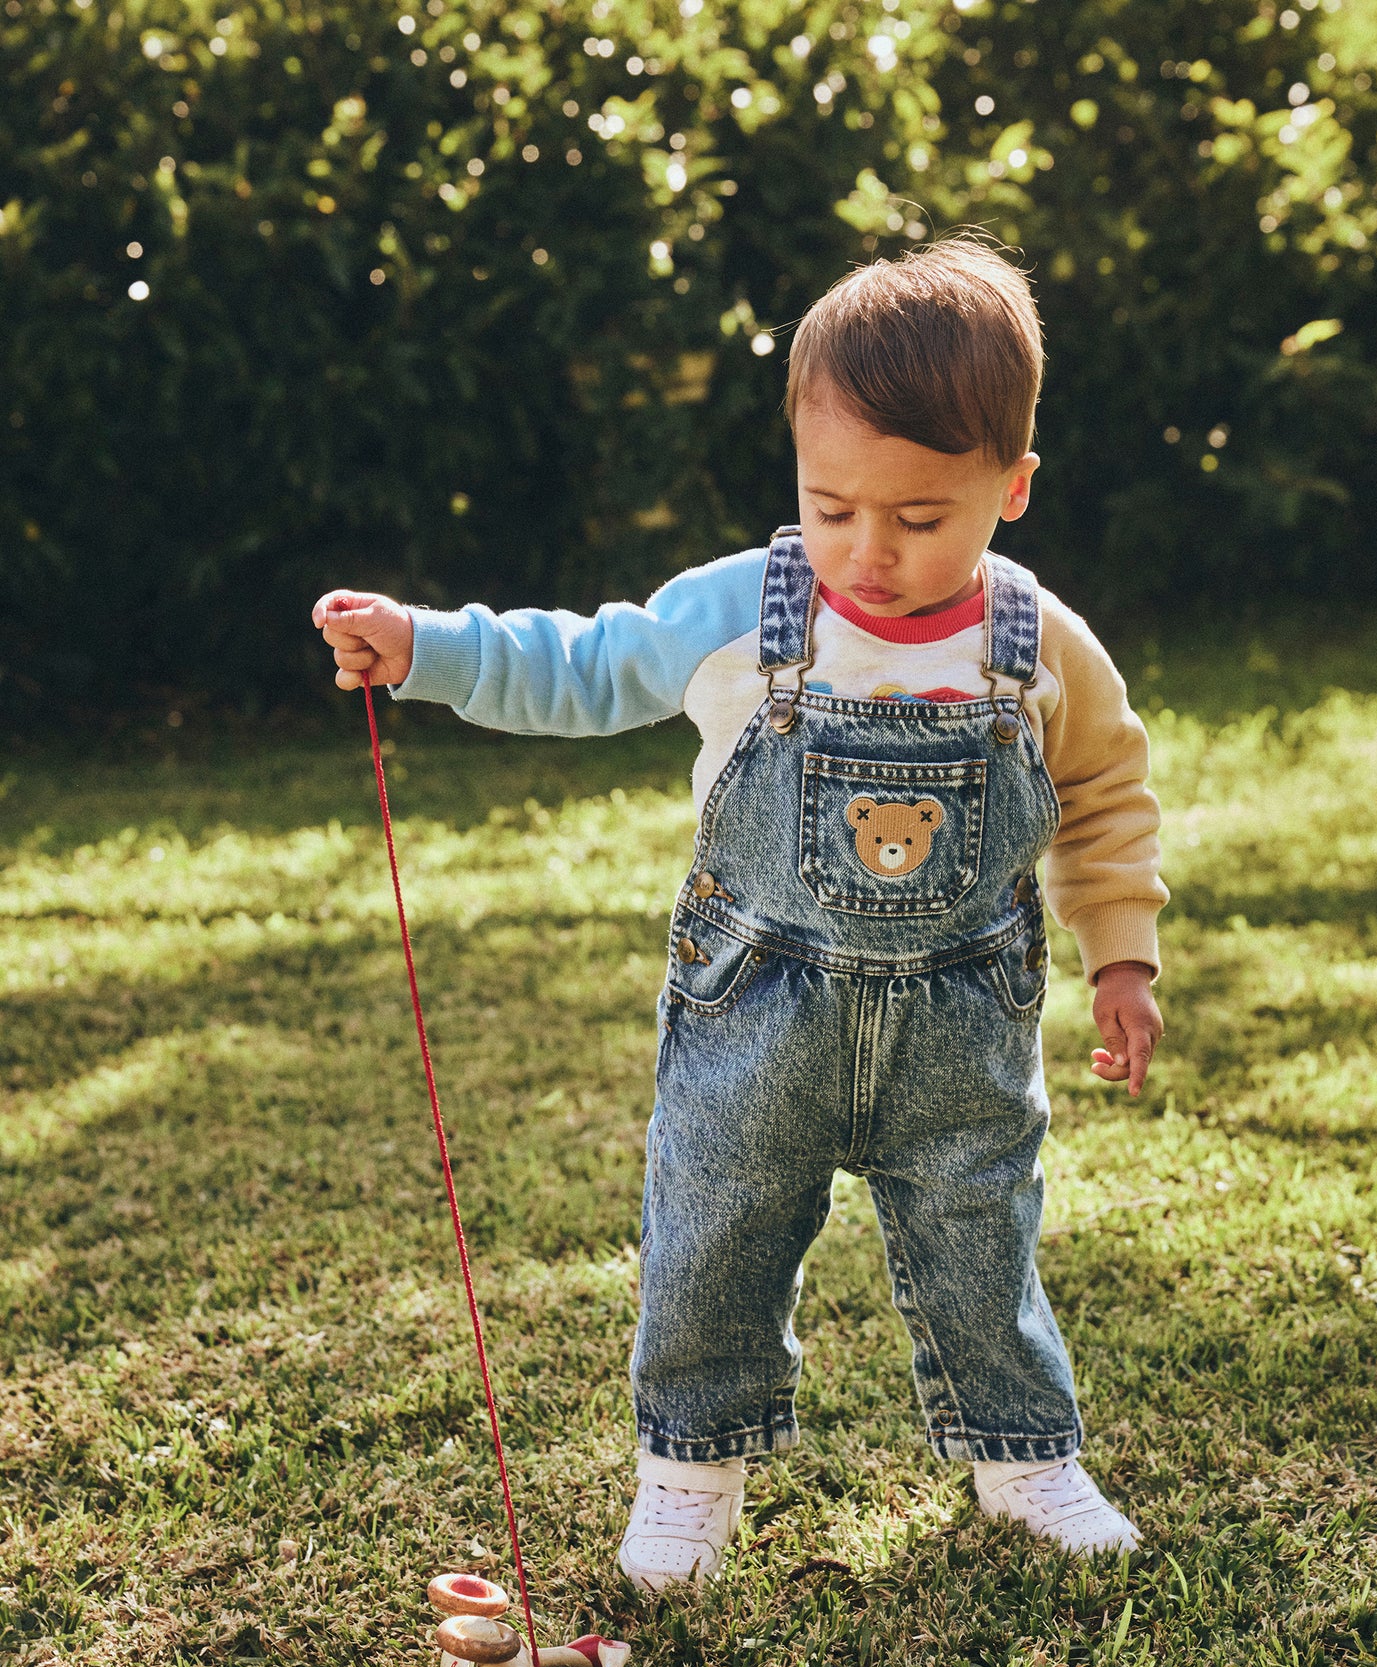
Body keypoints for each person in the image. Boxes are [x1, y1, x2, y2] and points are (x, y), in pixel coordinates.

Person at [313, 235, 1167, 1587]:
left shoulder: (1036, 640)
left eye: (919, 516)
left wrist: (1120, 954)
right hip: (751, 1013)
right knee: (709, 1238)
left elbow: (1105, 795)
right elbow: (584, 664)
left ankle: (1024, 1456)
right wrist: (431, 645)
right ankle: (687, 1476)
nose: (869, 550)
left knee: (978, 1237)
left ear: (1009, 488)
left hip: (961, 1028)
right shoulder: (741, 609)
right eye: (832, 507)